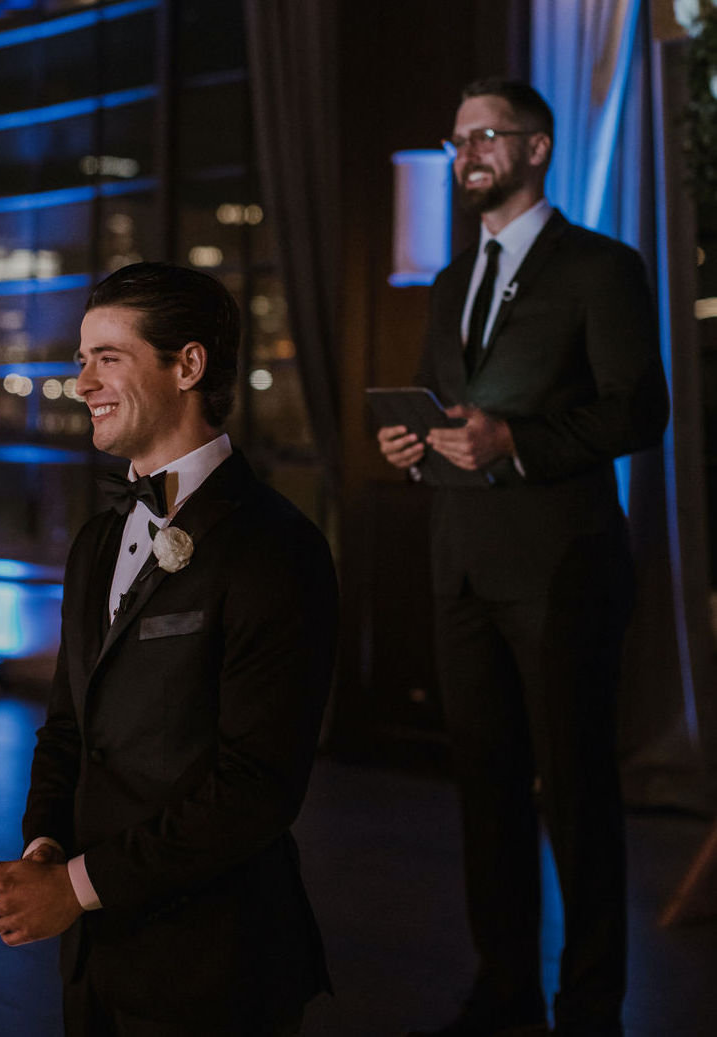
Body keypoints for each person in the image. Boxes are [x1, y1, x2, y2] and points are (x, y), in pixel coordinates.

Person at [0, 262, 338, 1036]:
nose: (83, 383)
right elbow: (69, 726)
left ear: (188, 365)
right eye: (81, 359)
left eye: (108, 357)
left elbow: (257, 788)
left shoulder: (277, 547)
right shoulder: (97, 539)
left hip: (217, 964)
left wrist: (75, 885)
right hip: (98, 959)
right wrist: (46, 844)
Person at [377, 79, 668, 1037]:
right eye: (459, 137)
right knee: (486, 791)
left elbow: (640, 408)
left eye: (487, 135)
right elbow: (445, 400)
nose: (468, 152)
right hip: (459, 559)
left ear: (537, 149)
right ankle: (504, 989)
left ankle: (591, 1008)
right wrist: (415, 446)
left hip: (562, 566)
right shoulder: (452, 278)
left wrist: (520, 442)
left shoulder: (602, 266)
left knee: (578, 799)